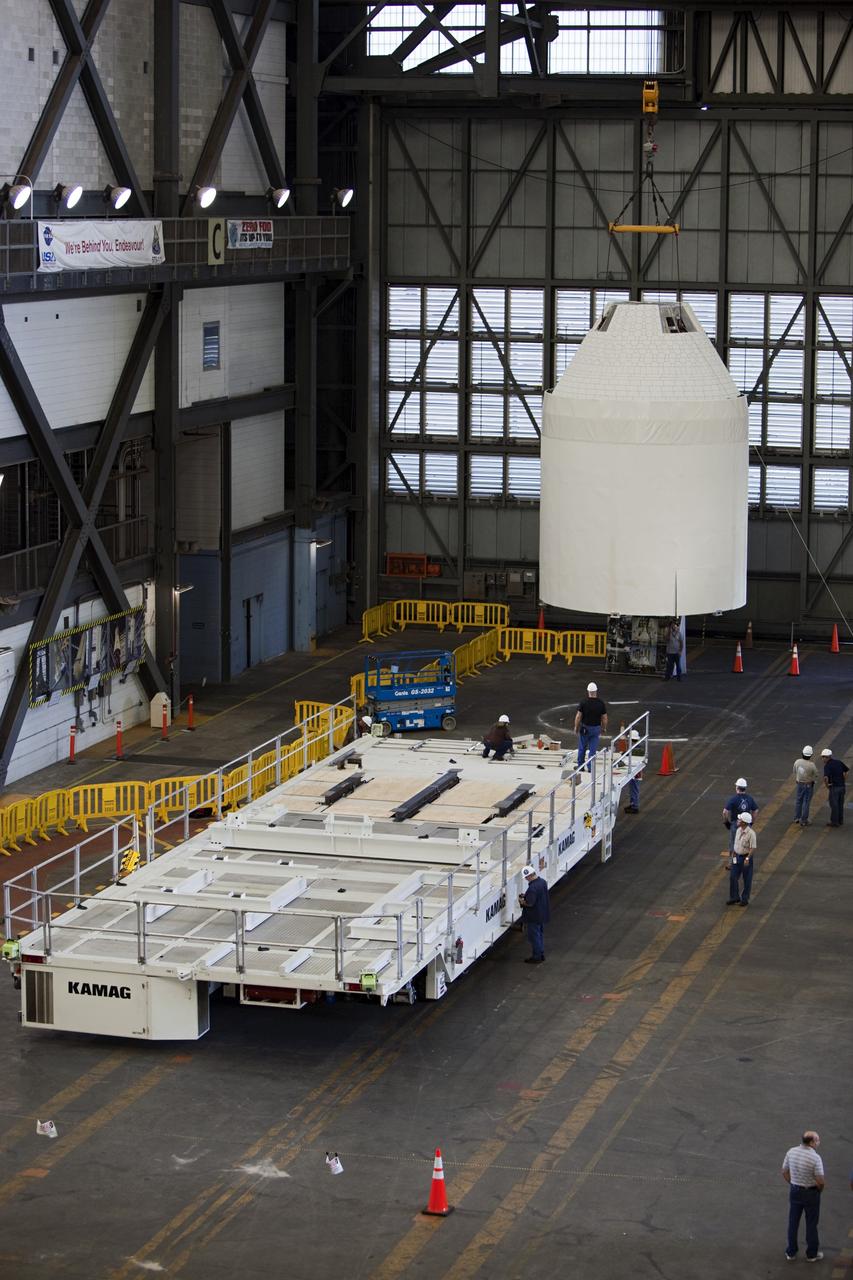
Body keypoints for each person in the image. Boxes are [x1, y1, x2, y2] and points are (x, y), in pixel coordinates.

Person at [782, 1130, 825, 1262]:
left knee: (793, 1222)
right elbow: (821, 1181)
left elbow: (784, 1171)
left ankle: (791, 1252)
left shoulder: (791, 1152)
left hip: (795, 1191)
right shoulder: (815, 1158)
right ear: (811, 1142)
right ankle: (811, 1254)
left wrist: (793, 1183)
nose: (819, 1142)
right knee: (811, 1223)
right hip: (811, 1193)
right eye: (817, 1140)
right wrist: (819, 1190)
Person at [518, 864, 549, 964]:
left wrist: (522, 901)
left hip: (533, 916)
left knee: (534, 937)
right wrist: (527, 895)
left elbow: (530, 903)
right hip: (542, 914)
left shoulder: (532, 888)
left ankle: (536, 957)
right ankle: (541, 954)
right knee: (539, 934)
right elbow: (538, 896)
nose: (526, 879)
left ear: (530, 876)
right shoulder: (542, 882)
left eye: (526, 877)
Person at [574, 682, 608, 769]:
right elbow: (604, 718)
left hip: (585, 728)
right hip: (596, 728)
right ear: (596, 691)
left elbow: (578, 717)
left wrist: (576, 727)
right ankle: (590, 767)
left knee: (582, 748)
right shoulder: (600, 703)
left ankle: (580, 766)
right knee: (593, 750)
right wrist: (604, 728)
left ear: (588, 691)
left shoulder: (583, 702)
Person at [722, 777, 759, 853]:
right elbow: (755, 810)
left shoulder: (733, 799)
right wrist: (752, 822)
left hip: (736, 824)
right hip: (746, 824)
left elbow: (725, 812)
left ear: (737, 788)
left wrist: (726, 822)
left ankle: (734, 860)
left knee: (734, 845)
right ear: (745, 788)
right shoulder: (750, 798)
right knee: (746, 845)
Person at [726, 811, 756, 906]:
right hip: (736, 857)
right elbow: (736, 844)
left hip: (745, 858)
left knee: (747, 879)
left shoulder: (751, 834)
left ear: (744, 822)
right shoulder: (738, 830)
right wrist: (733, 858)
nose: (738, 820)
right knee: (733, 877)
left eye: (740, 819)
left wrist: (747, 859)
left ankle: (745, 899)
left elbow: (753, 848)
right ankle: (734, 897)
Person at [821, 746, 848, 827]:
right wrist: (843, 781)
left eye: (824, 757)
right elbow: (846, 772)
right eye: (822, 757)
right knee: (840, 804)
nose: (822, 759)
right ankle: (840, 820)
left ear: (828, 757)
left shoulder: (827, 766)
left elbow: (825, 778)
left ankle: (834, 822)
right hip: (842, 787)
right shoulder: (839, 762)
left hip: (834, 787)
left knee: (834, 805)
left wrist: (827, 785)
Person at [792, 745, 818, 827]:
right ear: (811, 755)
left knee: (798, 801)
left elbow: (794, 771)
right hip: (808, 785)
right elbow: (816, 774)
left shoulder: (797, 762)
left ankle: (796, 818)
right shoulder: (811, 765)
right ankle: (804, 820)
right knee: (806, 802)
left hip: (799, 784)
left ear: (802, 753)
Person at [624, 729, 643, 813]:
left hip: (635, 772)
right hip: (636, 771)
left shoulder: (634, 748)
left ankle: (635, 806)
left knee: (634, 789)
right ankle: (633, 804)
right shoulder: (637, 747)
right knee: (633, 788)